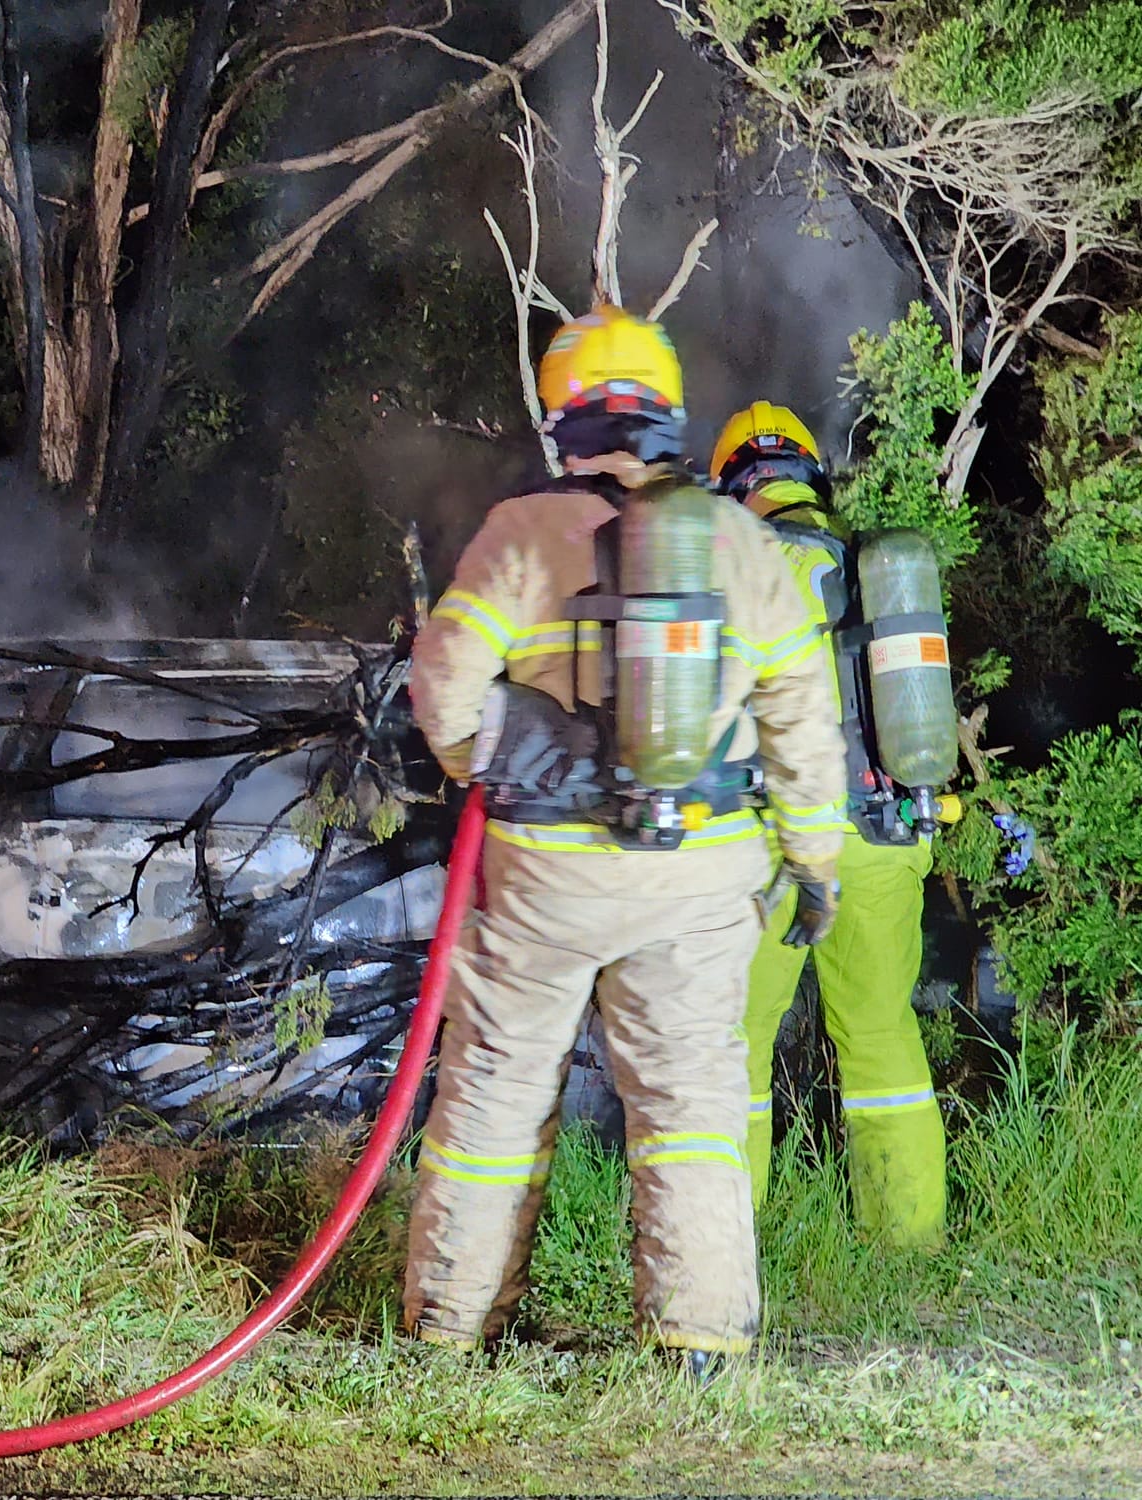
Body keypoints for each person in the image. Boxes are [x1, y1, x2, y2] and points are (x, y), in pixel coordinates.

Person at [402, 307, 847, 1379]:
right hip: (698, 870)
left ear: (564, 419)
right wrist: (815, 859)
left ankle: (452, 1327)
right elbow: (801, 714)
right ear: (669, 420)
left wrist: (496, 765)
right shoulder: (738, 541)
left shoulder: (519, 532)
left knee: (495, 1088)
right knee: (690, 1100)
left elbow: (440, 689)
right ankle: (695, 1341)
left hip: (543, 877)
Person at [710, 401, 948, 1247]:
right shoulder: (875, 565)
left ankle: (726, 1251)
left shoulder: (730, 563)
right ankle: (907, 1247)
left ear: (735, 483)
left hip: (767, 843)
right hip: (884, 832)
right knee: (883, 1040)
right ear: (810, 476)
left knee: (733, 1047)